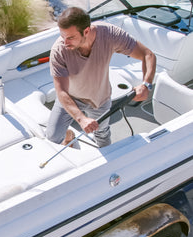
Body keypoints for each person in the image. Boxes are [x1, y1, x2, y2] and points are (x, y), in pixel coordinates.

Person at [46, 7, 156, 148]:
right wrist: (81, 119)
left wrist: (146, 84)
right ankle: (70, 135)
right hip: (70, 97)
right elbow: (61, 92)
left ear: (86, 31)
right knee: (52, 137)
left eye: (70, 37)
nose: (65, 42)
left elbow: (147, 55)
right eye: (63, 36)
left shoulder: (110, 34)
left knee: (102, 134)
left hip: (100, 98)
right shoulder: (59, 50)